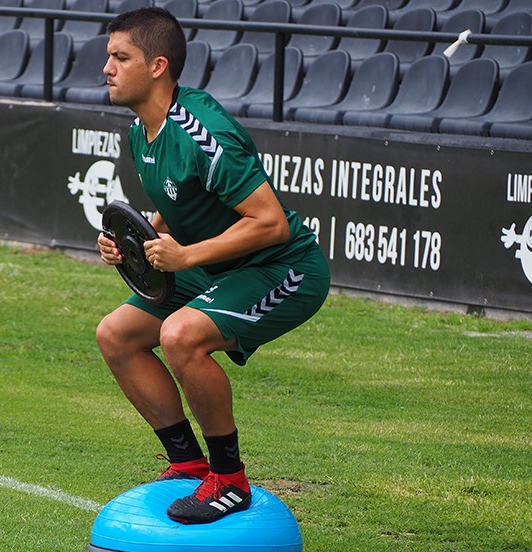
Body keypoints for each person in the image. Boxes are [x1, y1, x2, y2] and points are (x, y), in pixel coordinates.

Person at [95, 7, 331, 525]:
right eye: (108, 57)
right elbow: (176, 213)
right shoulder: (142, 132)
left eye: (119, 57)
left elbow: (271, 223)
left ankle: (230, 479)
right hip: (220, 267)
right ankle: (187, 463)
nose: (106, 68)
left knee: (182, 335)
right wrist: (132, 242)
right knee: (116, 334)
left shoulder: (204, 131)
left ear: (157, 66)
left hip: (284, 269)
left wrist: (186, 256)